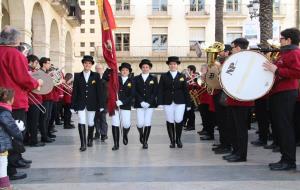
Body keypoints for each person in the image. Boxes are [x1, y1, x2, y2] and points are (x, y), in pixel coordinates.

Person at [0, 26, 42, 180]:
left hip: (2, 100)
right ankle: (10, 169)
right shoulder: (14, 54)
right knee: (16, 134)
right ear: (15, 39)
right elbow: (23, 78)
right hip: (14, 100)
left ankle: (15, 161)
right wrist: (36, 83)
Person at [263, 28, 300, 170]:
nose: (280, 41)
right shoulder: (286, 53)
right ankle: (285, 158)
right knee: (281, 127)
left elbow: (298, 72)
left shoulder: (295, 53)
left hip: (285, 93)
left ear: (289, 40)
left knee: (285, 127)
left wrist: (276, 70)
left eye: (281, 38)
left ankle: (289, 161)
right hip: (279, 93)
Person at [222, 38, 254, 162]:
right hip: (233, 98)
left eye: (233, 47)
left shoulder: (248, 60)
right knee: (233, 127)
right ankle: (235, 151)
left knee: (240, 129)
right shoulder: (235, 59)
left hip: (242, 99)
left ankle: (241, 154)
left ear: (238, 48)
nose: (231, 50)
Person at [72, 55, 104, 151]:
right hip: (80, 103)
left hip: (92, 103)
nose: (87, 65)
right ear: (83, 64)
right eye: (86, 63)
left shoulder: (96, 75)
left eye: (89, 63)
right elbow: (75, 91)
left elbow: (99, 91)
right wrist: (73, 105)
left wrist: (101, 105)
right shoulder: (77, 76)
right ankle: (83, 144)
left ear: (91, 65)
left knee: (90, 122)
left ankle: (89, 139)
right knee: (81, 121)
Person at [158, 56, 191, 148]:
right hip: (167, 101)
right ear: (168, 65)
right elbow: (160, 89)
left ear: (177, 65)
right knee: (170, 120)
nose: (173, 65)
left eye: (174, 64)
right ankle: (172, 141)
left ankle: (178, 139)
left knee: (179, 119)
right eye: (171, 64)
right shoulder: (164, 76)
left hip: (180, 101)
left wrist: (188, 104)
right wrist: (160, 102)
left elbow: (185, 90)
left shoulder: (182, 76)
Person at [0, 88, 24, 189]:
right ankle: (4, 185)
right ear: (10, 100)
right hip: (2, 142)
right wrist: (19, 134)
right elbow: (11, 127)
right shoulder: (4, 112)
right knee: (3, 162)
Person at [133, 59, 158, 149]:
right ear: (141, 68)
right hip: (139, 104)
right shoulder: (136, 78)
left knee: (147, 122)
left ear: (149, 68)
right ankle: (141, 133)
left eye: (147, 67)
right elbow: (134, 91)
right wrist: (141, 101)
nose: (145, 68)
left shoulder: (153, 78)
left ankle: (145, 141)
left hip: (150, 105)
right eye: (143, 67)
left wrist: (149, 102)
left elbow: (155, 92)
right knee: (140, 123)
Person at [111, 62, 134, 151]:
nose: (124, 71)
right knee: (115, 123)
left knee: (126, 124)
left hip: (126, 105)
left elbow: (132, 95)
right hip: (115, 105)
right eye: (123, 70)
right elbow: (106, 79)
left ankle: (125, 134)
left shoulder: (132, 81)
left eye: (126, 70)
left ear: (129, 72)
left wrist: (123, 102)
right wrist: (111, 70)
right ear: (120, 71)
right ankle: (116, 144)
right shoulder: (115, 80)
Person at [26, 55, 46, 147]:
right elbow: (31, 85)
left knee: (32, 122)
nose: (37, 65)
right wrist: (39, 83)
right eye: (36, 63)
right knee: (33, 122)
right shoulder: (28, 70)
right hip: (32, 100)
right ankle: (33, 141)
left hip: (36, 99)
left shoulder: (33, 71)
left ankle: (30, 139)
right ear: (31, 62)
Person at [39, 57, 56, 143]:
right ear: (44, 64)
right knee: (44, 118)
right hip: (44, 97)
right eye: (48, 63)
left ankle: (47, 134)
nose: (49, 65)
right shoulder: (40, 73)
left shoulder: (46, 73)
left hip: (50, 96)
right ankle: (44, 136)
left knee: (48, 117)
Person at [94, 63, 109, 142]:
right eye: (97, 68)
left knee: (103, 118)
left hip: (104, 102)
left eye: (100, 68)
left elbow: (107, 92)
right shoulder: (93, 78)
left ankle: (104, 134)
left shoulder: (106, 79)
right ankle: (97, 133)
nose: (98, 70)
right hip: (95, 103)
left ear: (102, 70)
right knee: (96, 119)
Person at [182, 65, 197, 131]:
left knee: (191, 112)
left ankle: (191, 125)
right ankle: (188, 124)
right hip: (187, 96)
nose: (187, 71)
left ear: (191, 70)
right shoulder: (188, 77)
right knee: (188, 112)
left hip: (192, 96)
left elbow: (193, 85)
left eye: (188, 70)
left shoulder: (194, 76)